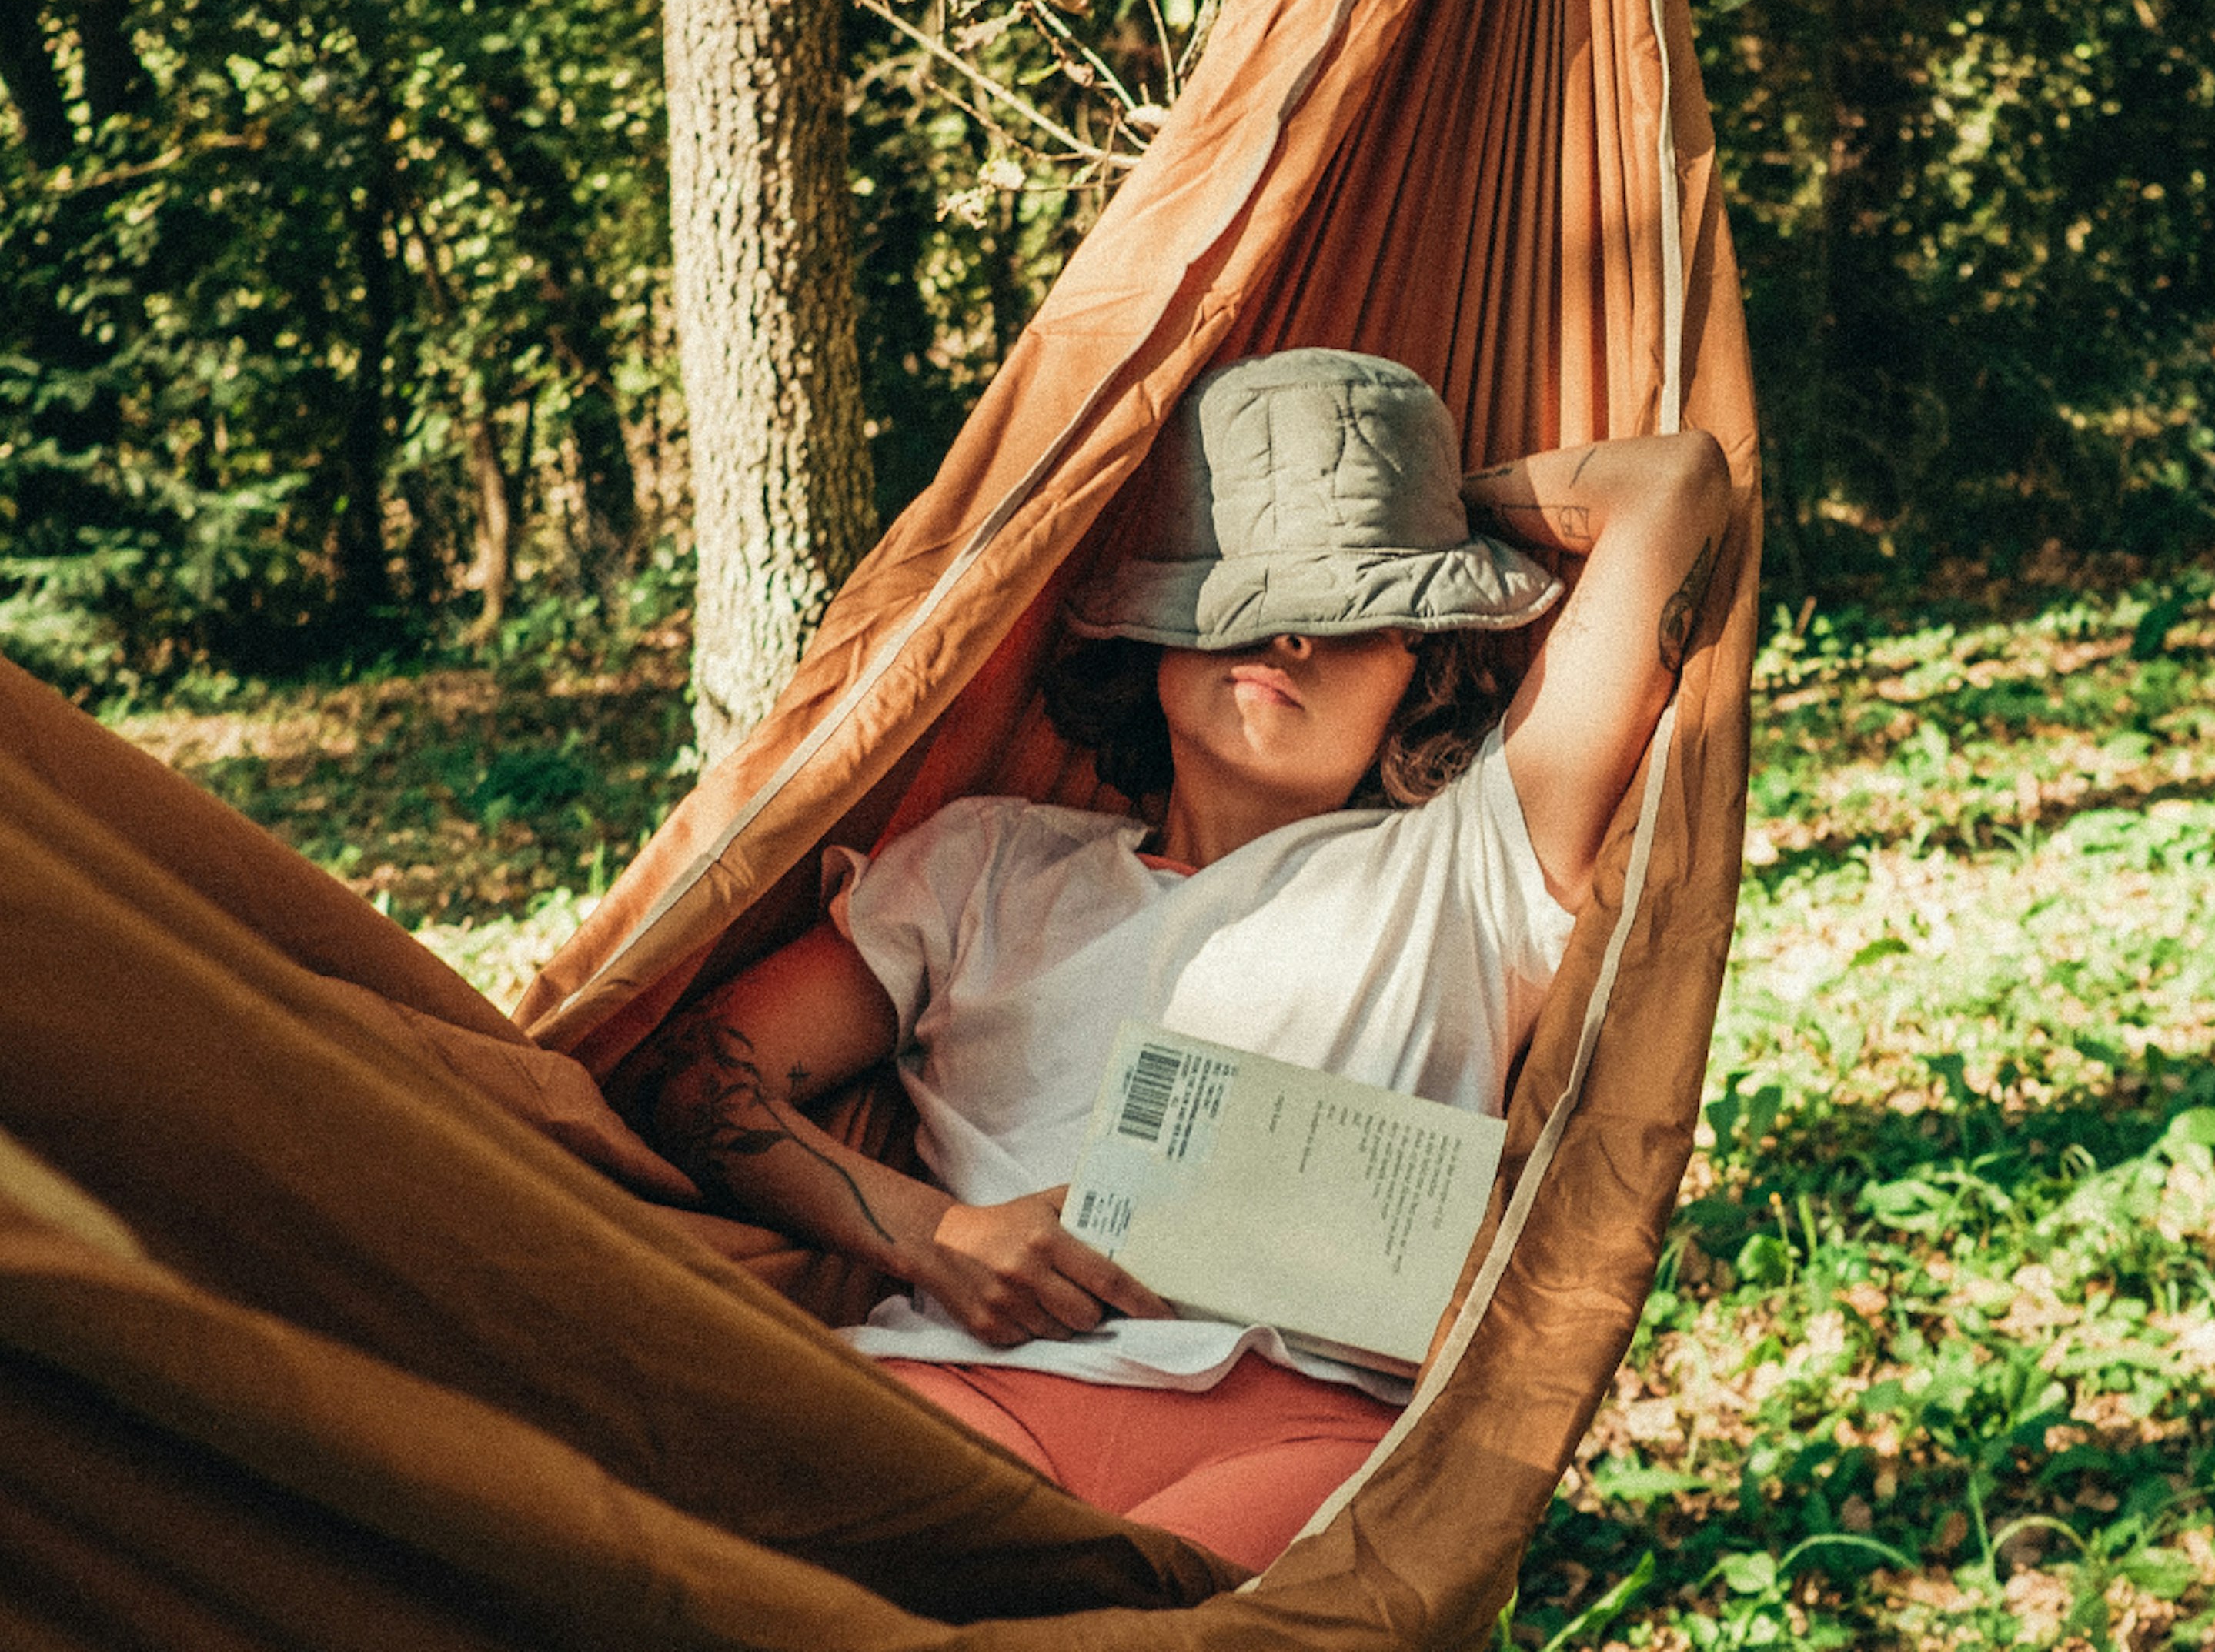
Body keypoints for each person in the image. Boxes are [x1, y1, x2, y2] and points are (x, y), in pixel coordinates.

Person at [646, 349, 1729, 1573]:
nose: (1289, 632)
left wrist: (1422, 508)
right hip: (971, 1386)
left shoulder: (1473, 862)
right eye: (1238, 589)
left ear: (1421, 665)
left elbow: (1675, 486)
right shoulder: (985, 864)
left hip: (1308, 1435)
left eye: (1351, 607)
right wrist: (933, 1234)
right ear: (1154, 637)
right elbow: (694, 1074)